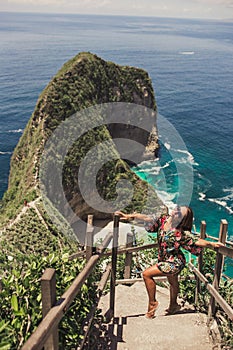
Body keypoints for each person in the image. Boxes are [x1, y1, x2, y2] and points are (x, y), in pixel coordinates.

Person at [115, 206, 224, 318]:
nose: (176, 211)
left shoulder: (180, 232)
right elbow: (147, 218)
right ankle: (173, 305)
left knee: (146, 274)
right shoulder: (164, 219)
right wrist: (128, 216)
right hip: (164, 259)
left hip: (175, 262)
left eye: (179, 213)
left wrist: (213, 244)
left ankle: (153, 303)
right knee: (173, 282)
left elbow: (197, 241)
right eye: (177, 208)